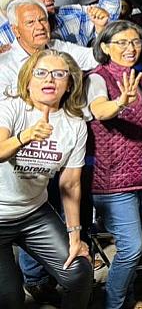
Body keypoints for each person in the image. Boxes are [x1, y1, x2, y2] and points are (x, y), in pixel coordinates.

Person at [0, 50, 92, 309]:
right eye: (41, 72)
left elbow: (70, 183)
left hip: (33, 213)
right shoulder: (11, 107)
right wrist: (25, 136)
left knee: (78, 273)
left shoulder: (75, 125)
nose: (49, 79)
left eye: (59, 74)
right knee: (10, 299)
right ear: (28, 80)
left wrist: (75, 236)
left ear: (69, 84)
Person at [87, 21, 142, 309]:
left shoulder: (137, 77)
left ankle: (127, 299)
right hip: (115, 180)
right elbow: (99, 110)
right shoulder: (98, 78)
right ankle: (114, 304)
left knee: (134, 246)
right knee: (131, 248)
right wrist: (120, 102)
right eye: (122, 42)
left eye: (135, 41)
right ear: (105, 47)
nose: (130, 48)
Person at [0, 0, 97, 90]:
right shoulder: (5, 66)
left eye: (42, 20)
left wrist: (101, 29)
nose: (40, 27)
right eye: (30, 22)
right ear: (16, 30)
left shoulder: (58, 46)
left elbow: (94, 57)